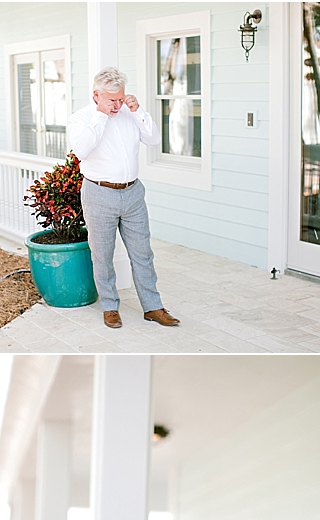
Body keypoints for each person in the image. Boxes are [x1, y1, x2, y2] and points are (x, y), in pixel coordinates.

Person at [68, 67, 180, 330]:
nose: (117, 105)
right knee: (103, 255)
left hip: (132, 193)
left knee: (143, 253)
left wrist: (138, 111)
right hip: (99, 193)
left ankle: (153, 307)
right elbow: (82, 151)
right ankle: (110, 307)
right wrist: (101, 116)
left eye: (120, 98)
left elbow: (153, 139)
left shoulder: (129, 113)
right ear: (96, 95)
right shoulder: (81, 118)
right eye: (111, 100)